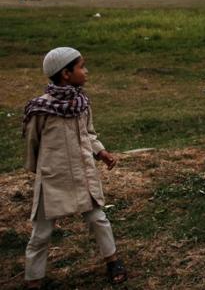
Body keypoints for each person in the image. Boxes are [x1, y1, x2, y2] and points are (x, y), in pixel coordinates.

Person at [22, 47, 127, 287]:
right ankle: (33, 279)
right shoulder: (40, 109)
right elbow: (32, 143)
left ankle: (112, 260)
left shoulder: (81, 103)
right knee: (41, 234)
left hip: (82, 175)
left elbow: (88, 133)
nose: (86, 71)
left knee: (99, 219)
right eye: (81, 66)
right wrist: (40, 171)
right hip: (52, 180)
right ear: (66, 74)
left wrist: (101, 152)